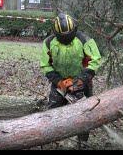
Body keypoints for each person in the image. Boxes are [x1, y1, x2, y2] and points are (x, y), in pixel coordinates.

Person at [40, 13, 101, 149]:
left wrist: (81, 80)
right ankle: (50, 142)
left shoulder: (85, 40)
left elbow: (95, 60)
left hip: (81, 81)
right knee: (52, 112)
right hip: (59, 82)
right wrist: (59, 82)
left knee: (86, 114)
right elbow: (45, 65)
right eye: (62, 37)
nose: (65, 39)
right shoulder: (49, 43)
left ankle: (82, 143)